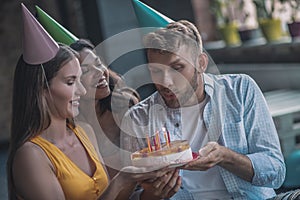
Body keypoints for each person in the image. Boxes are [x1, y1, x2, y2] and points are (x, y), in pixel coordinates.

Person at [7, 5, 174, 199]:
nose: (83, 90)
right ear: (40, 89)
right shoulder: (30, 156)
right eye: (71, 82)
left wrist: (151, 194)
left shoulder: (84, 131)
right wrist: (121, 180)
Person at [120, 20, 286, 199]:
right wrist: (152, 195)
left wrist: (225, 157)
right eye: (156, 71)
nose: (166, 82)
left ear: (201, 63)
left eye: (177, 68)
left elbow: (275, 172)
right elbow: (132, 194)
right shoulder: (137, 119)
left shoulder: (240, 90)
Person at [70, 39, 141, 178]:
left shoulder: (126, 107)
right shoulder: (69, 127)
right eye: (85, 71)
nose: (99, 72)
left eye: (98, 63)